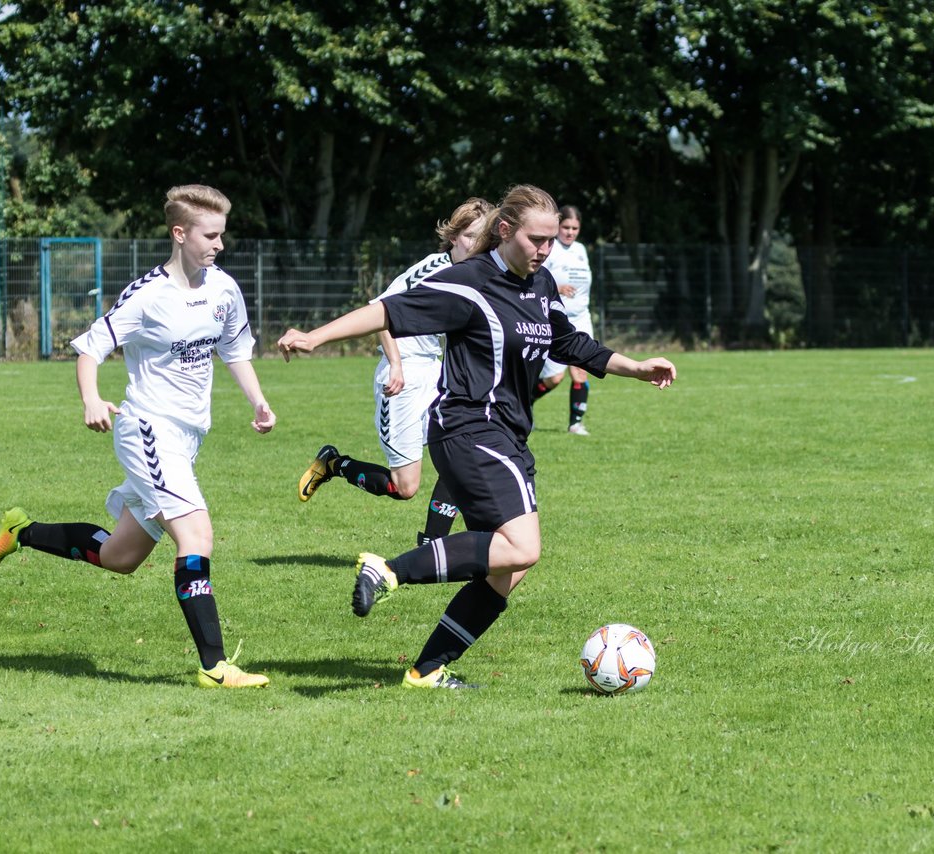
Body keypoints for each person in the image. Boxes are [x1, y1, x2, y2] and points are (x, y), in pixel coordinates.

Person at [277, 184, 676, 690]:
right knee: (523, 547)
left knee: (508, 569)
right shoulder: (468, 281)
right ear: (505, 230)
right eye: (536, 239)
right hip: (470, 427)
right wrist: (314, 335)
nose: (545, 250)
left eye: (552, 241)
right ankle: (388, 571)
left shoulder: (541, 283)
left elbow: (570, 341)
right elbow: (388, 311)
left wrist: (635, 368)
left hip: (508, 434)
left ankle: (426, 671)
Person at [0, 184, 275, 689]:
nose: (219, 244)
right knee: (196, 535)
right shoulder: (148, 295)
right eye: (210, 235)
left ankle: (21, 531)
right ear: (180, 234)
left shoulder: (223, 288)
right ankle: (215, 667)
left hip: (186, 438)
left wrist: (258, 400)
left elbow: (235, 348)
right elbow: (90, 349)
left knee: (120, 558)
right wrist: (92, 399)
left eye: (222, 234)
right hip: (147, 431)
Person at [297, 198, 493, 548]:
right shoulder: (433, 268)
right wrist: (397, 363)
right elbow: (379, 310)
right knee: (404, 487)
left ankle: (431, 544)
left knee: (460, 453)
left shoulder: (475, 276)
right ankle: (335, 464)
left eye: (483, 239)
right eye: (469, 236)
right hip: (402, 376)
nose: (475, 245)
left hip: (436, 375)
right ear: (453, 237)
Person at [531, 205, 595, 434]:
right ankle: (525, 403)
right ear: (558, 226)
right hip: (555, 320)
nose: (570, 232)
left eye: (575, 228)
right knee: (555, 378)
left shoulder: (580, 250)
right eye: (566, 227)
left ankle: (575, 423)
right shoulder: (550, 248)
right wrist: (556, 287)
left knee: (580, 370)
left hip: (581, 318)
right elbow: (534, 277)